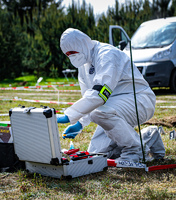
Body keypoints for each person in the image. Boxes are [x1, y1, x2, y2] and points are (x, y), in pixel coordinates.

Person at [57, 28, 156, 162]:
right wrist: (80, 123)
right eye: (67, 54)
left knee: (98, 113)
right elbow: (88, 97)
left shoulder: (106, 54)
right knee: (97, 154)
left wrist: (70, 115)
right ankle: (150, 137)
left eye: (73, 52)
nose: (71, 57)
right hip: (113, 107)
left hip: (139, 100)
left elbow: (99, 94)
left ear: (83, 44)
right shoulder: (84, 64)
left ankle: (136, 149)